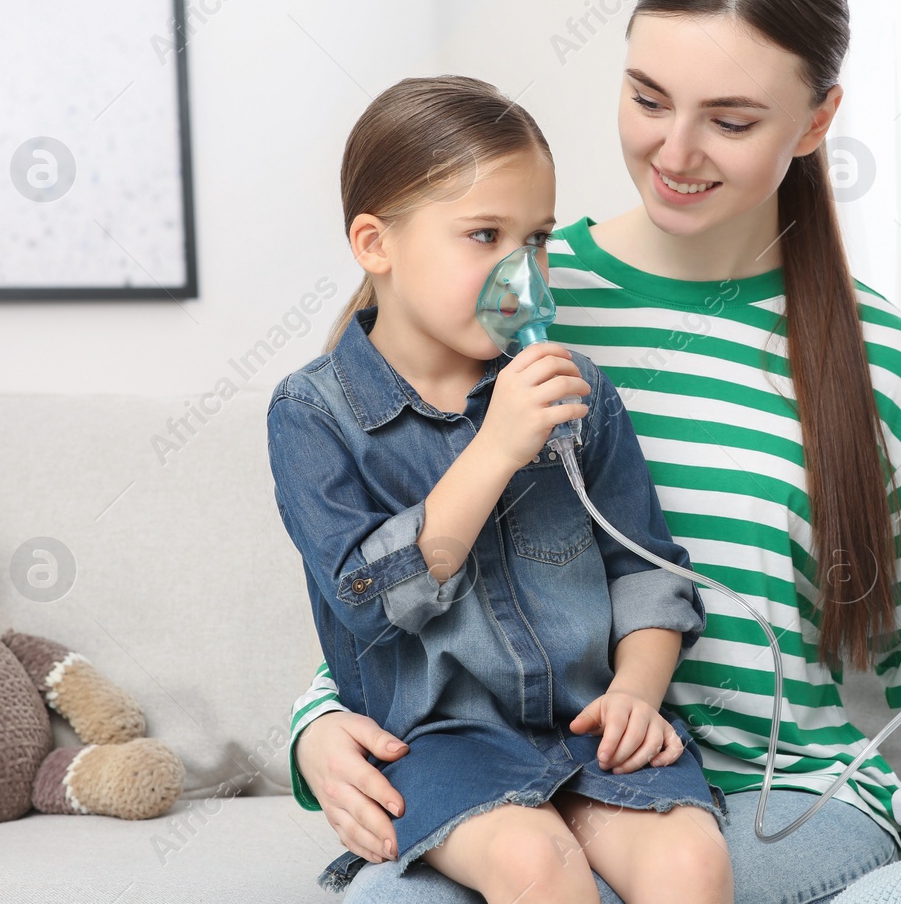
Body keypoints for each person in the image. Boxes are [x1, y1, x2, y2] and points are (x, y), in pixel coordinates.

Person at [291, 0, 901, 904]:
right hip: (518, 776)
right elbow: (396, 561)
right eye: (646, 99)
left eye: (729, 119)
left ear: (814, 123)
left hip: (780, 795)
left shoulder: (875, 360)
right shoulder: (510, 306)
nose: (672, 151)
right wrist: (313, 726)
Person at [267, 75, 734, 903]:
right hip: (442, 746)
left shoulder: (578, 394)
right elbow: (368, 601)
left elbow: (650, 571)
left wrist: (635, 692)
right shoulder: (313, 414)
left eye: (538, 240)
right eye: (484, 236)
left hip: (588, 728)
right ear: (376, 244)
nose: (523, 274)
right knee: (535, 864)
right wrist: (492, 451)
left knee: (693, 862)